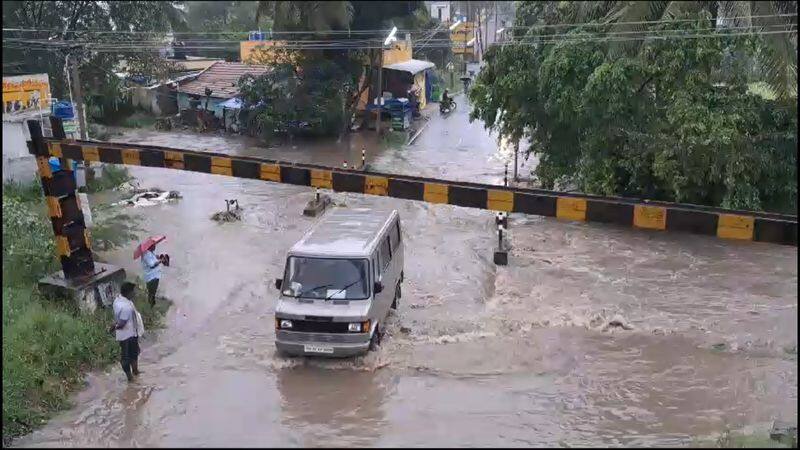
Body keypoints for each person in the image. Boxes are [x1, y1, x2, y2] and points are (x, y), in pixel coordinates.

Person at [110, 282, 144, 382]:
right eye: (134, 291)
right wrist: (113, 327)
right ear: (129, 293)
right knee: (126, 357)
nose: (135, 293)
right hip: (127, 335)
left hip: (131, 332)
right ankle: (130, 378)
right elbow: (121, 324)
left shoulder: (118, 300)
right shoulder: (126, 308)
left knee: (134, 352)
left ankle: (135, 371)